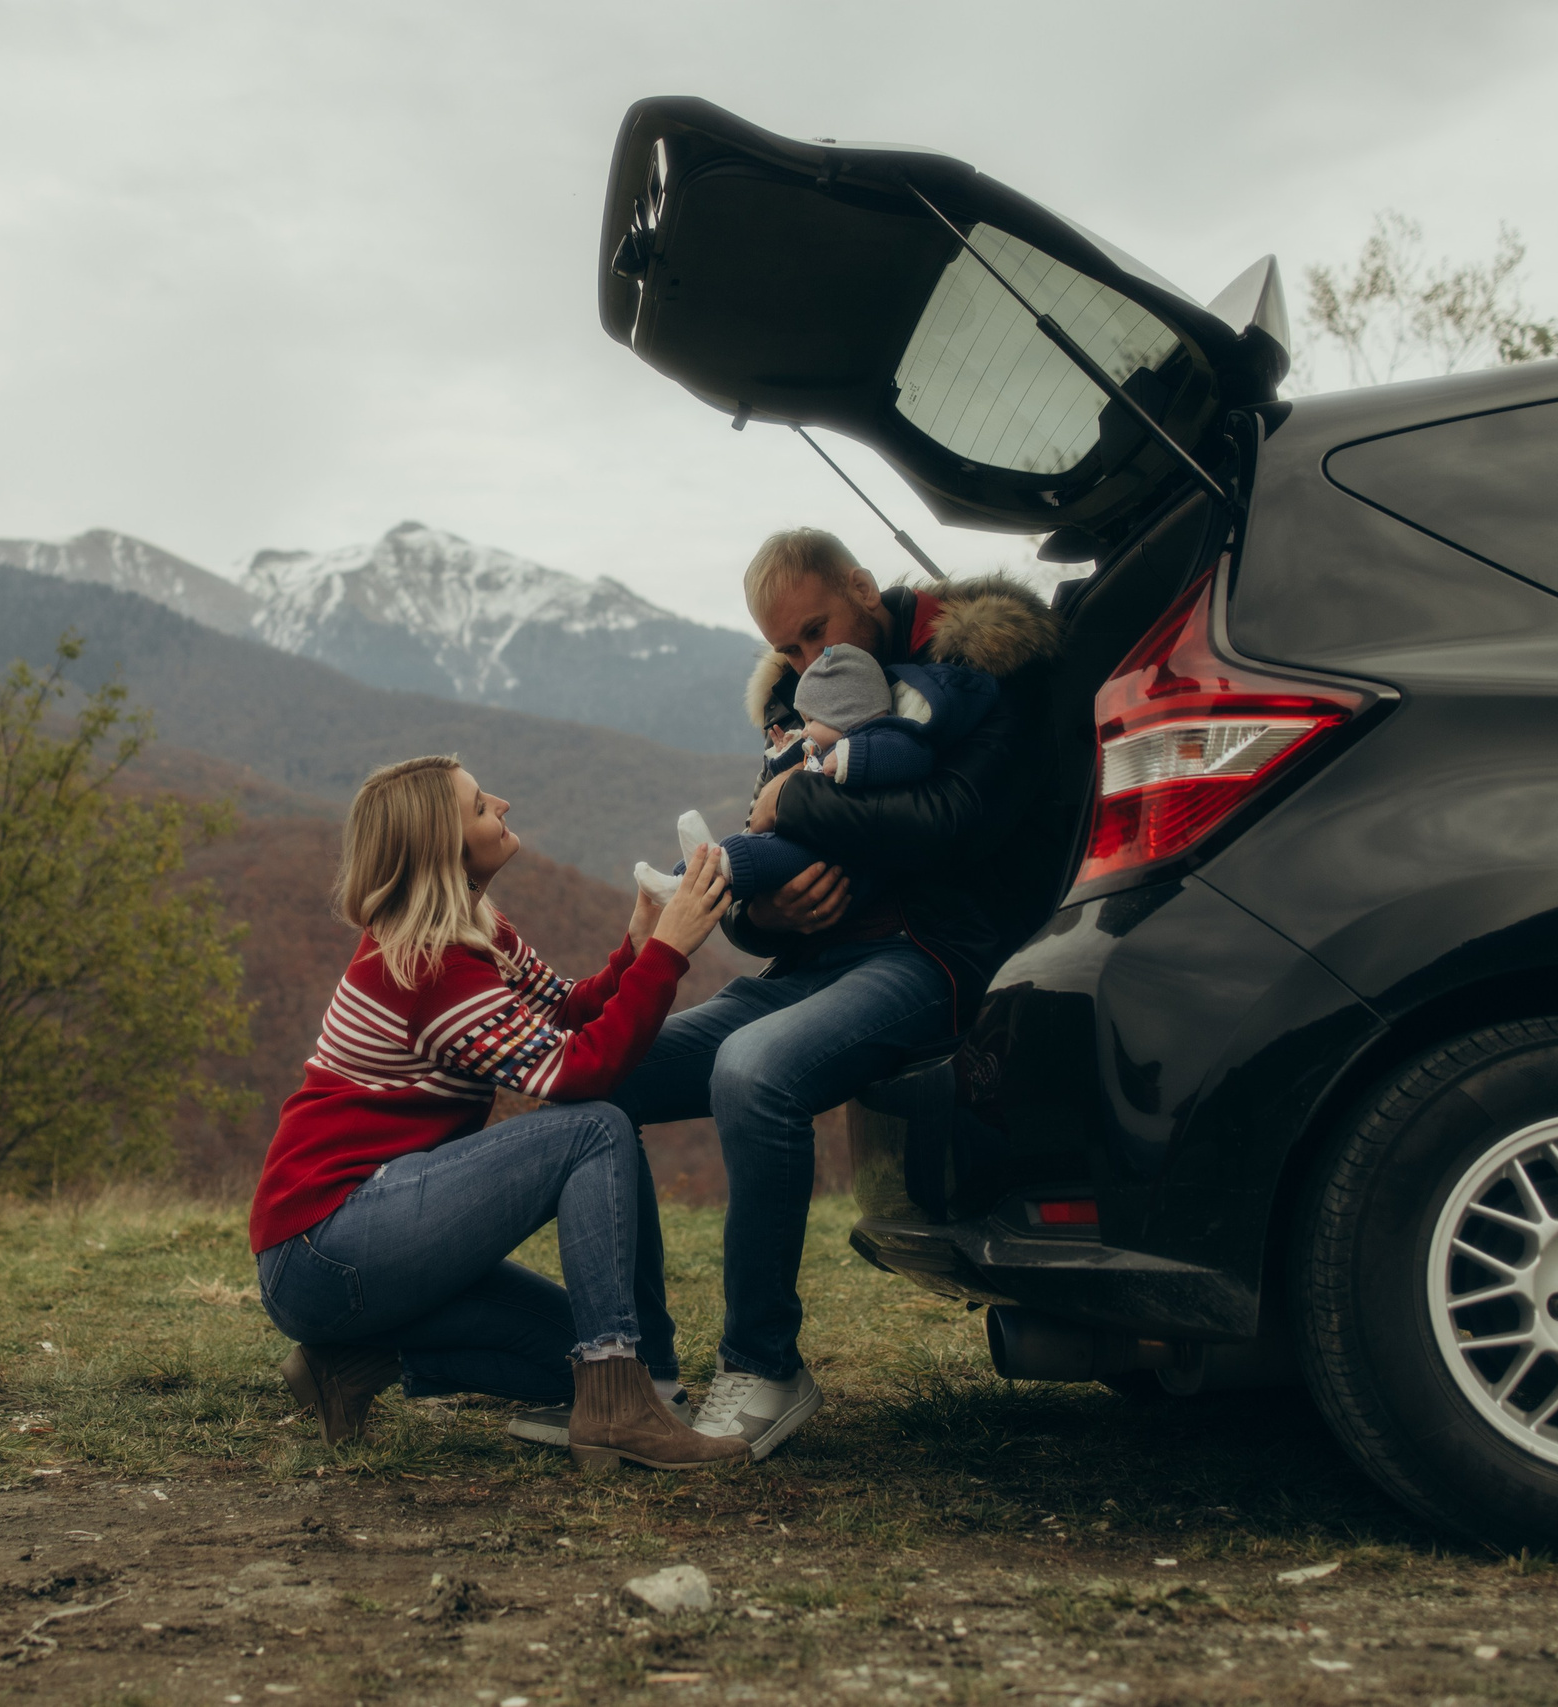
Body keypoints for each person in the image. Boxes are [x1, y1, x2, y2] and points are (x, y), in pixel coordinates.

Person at [612, 528, 1062, 1461]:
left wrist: (799, 805)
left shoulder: (977, 668)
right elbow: (754, 883)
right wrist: (775, 911)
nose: (810, 660)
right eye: (790, 649)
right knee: (611, 1075)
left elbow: (952, 821)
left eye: (818, 631)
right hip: (810, 965)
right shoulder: (802, 699)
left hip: (928, 957)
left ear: (862, 586)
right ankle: (635, 1370)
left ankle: (765, 1365)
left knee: (753, 1071)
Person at [248, 754, 745, 1471]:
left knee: (575, 1359)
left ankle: (349, 1362)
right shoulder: (427, 966)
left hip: (349, 1239)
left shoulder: (475, 932)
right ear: (443, 849)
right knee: (594, 1128)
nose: (503, 805)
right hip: (325, 1243)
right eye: (481, 806)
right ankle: (619, 1412)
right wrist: (670, 952)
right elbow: (581, 1071)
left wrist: (637, 943)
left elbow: (567, 1013)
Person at [634, 645, 1000, 905]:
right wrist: (782, 755)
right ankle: (684, 878)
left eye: (812, 719)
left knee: (757, 854)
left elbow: (909, 757)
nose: (804, 729)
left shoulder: (882, 737)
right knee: (751, 843)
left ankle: (705, 874)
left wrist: (849, 757)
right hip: (815, 837)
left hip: (834, 856)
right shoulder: (826, 743)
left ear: (846, 714)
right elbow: (792, 771)